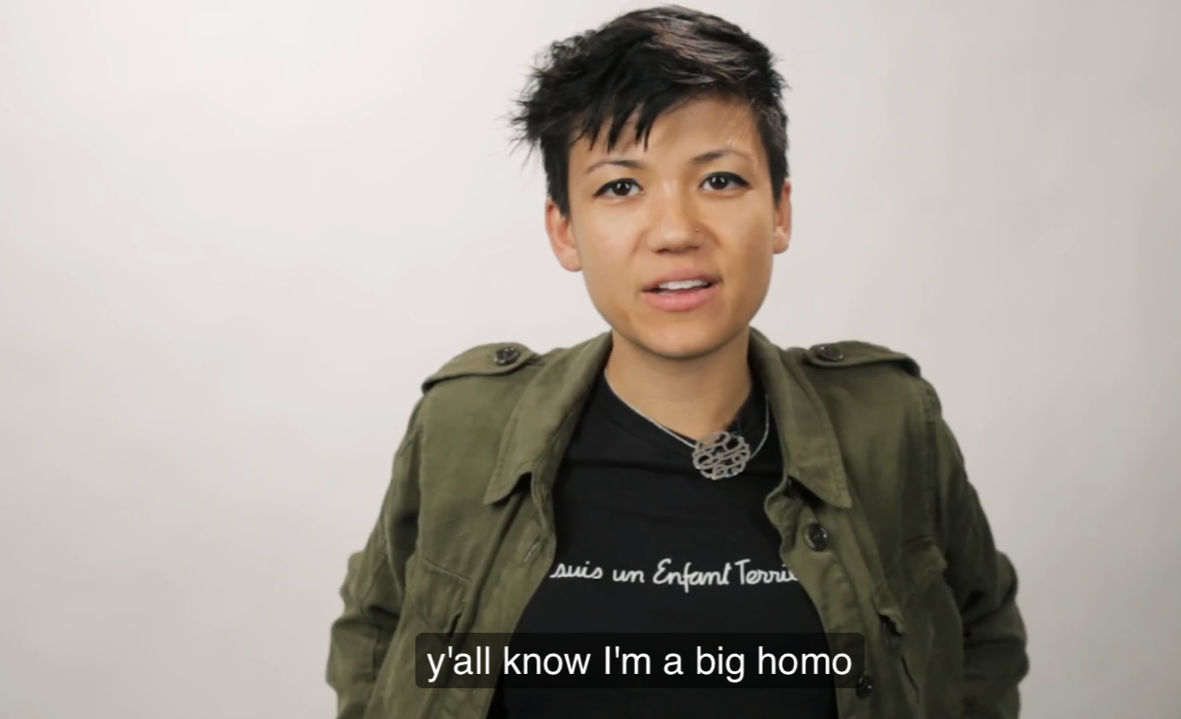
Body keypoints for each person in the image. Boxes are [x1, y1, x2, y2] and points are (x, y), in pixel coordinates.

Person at [326, 5, 1029, 718]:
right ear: (564, 230)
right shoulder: (463, 426)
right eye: (620, 187)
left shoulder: (889, 423)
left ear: (780, 212)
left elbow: (981, 630)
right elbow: (377, 632)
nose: (675, 231)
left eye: (719, 180)